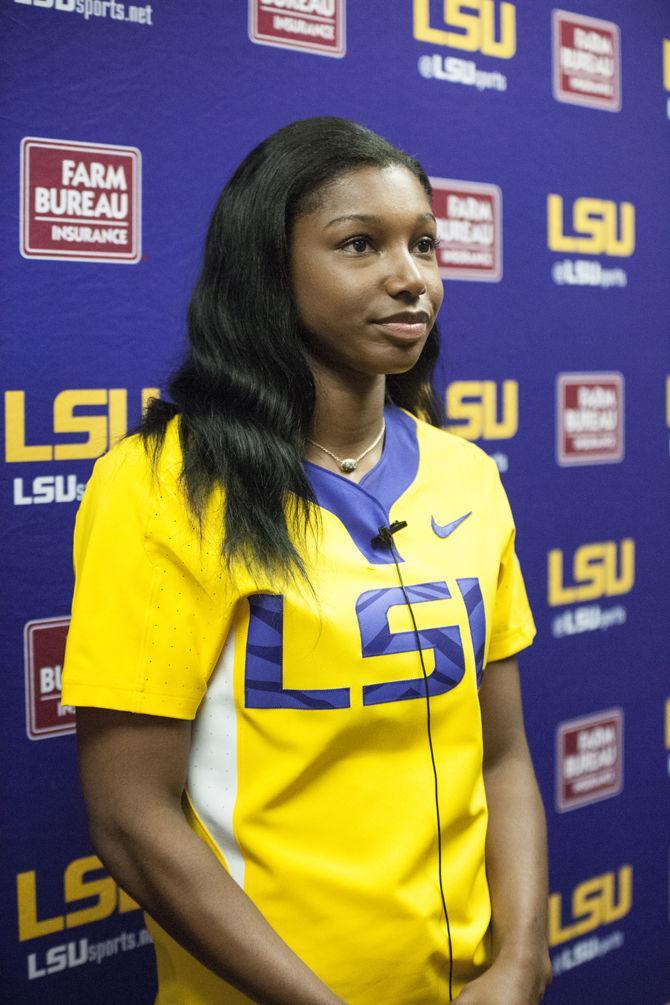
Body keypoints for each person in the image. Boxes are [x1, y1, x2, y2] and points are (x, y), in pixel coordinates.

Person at [62, 117, 552, 1005]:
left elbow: (506, 755)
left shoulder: (468, 474)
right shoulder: (163, 484)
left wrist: (521, 959)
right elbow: (131, 817)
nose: (412, 279)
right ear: (267, 271)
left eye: (425, 245)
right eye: (360, 245)